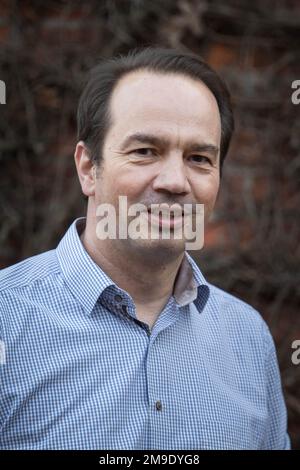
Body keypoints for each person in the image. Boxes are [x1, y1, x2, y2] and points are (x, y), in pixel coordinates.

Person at [0, 47, 290, 450]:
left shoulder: (248, 338)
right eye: (145, 151)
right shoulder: (6, 320)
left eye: (199, 157)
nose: (175, 180)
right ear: (88, 167)